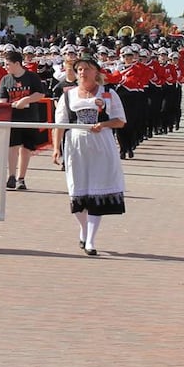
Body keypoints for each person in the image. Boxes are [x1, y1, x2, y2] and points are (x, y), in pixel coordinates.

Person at [52, 56, 125, 256]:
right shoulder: (68, 95)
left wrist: (103, 124)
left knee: (96, 191)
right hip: (76, 146)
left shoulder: (109, 94)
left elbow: (120, 121)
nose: (83, 73)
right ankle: (84, 229)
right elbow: (60, 124)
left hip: (101, 144)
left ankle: (91, 239)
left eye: (87, 69)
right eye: (80, 69)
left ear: (96, 72)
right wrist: (56, 147)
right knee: (77, 192)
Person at [0, 50, 48, 191]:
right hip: (12, 119)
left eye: (8, 64)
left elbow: (40, 93)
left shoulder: (32, 77)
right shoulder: (5, 80)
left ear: (17, 63)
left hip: (29, 118)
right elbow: (0, 100)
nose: (6, 67)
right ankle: (11, 176)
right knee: (12, 147)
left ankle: (21, 178)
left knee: (26, 148)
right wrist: (11, 104)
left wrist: (27, 99)